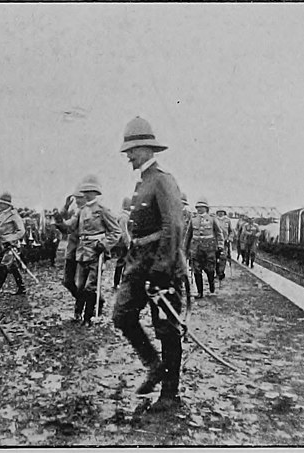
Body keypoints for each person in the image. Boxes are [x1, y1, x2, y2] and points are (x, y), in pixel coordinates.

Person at [112, 116, 186, 413]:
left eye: (131, 150)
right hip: (139, 264)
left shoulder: (163, 180)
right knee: (122, 315)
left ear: (145, 149)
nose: (127, 155)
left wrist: (161, 267)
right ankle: (154, 365)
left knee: (166, 328)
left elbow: (174, 226)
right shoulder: (142, 183)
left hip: (160, 265)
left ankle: (170, 394)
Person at [67, 175, 120, 327]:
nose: (84, 194)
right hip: (82, 252)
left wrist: (104, 243)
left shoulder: (102, 210)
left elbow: (116, 231)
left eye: (86, 191)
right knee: (81, 285)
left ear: (93, 192)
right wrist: (58, 219)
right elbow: (71, 227)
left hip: (97, 253)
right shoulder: (82, 210)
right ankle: (78, 313)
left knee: (90, 287)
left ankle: (87, 317)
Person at [0, 192, 26, 297]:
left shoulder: (14, 215)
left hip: (11, 245)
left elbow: (21, 231)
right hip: (2, 244)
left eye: (1, 203)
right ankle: (21, 287)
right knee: (12, 267)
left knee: (4, 266)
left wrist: (10, 239)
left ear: (7, 204)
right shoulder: (0, 215)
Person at [54, 188, 86, 320]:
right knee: (67, 281)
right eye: (76, 198)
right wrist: (63, 209)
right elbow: (65, 227)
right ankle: (92, 299)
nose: (77, 201)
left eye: (80, 198)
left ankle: (78, 311)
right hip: (72, 250)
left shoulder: (89, 212)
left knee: (82, 283)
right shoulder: (76, 212)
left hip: (84, 252)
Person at [184, 197, 224, 298]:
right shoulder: (193, 219)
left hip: (209, 249)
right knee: (196, 270)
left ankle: (211, 287)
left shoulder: (212, 219)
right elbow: (188, 235)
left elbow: (219, 233)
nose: (199, 209)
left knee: (210, 269)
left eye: (202, 207)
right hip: (196, 249)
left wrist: (220, 245)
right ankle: (200, 292)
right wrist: (185, 248)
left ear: (206, 208)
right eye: (198, 207)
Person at [113, 196, 132, 289]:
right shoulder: (124, 217)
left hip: (120, 242)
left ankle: (118, 283)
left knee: (122, 262)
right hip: (123, 243)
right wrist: (128, 244)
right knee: (123, 262)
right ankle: (118, 283)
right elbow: (124, 231)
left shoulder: (122, 215)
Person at [215, 208, 233, 280]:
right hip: (216, 242)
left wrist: (229, 238)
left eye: (222, 212)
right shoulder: (214, 219)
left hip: (225, 242)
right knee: (215, 257)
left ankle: (221, 272)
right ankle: (217, 272)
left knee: (223, 257)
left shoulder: (227, 220)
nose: (220, 213)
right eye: (219, 211)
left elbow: (231, 231)